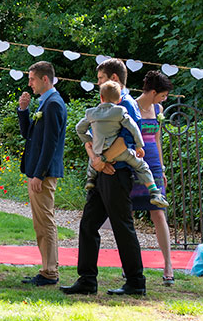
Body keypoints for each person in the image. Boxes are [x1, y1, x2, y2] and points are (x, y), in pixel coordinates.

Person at [63, 58, 147, 296]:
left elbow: (126, 140)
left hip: (117, 173)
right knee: (88, 224)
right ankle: (87, 279)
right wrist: (95, 159)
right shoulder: (105, 107)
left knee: (122, 225)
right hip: (103, 171)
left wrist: (103, 161)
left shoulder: (126, 105)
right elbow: (89, 134)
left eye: (100, 79)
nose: (97, 83)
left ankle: (136, 281)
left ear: (114, 79)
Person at [76, 80, 169, 207]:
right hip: (119, 151)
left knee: (93, 159)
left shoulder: (91, 113)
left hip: (99, 150)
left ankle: (90, 179)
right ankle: (154, 192)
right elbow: (134, 129)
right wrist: (139, 145)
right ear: (119, 99)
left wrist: (89, 140)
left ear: (101, 97)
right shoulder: (120, 111)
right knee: (141, 166)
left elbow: (79, 128)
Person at [17, 61, 67, 286]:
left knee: (45, 222)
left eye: (32, 79)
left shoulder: (54, 104)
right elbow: (29, 134)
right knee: (40, 222)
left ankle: (50, 271)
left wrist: (39, 174)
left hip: (43, 174)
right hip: (37, 171)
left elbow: (51, 144)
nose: (30, 83)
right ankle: (47, 268)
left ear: (45, 79)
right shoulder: (43, 103)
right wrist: (24, 111)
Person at [133, 70, 176, 285]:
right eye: (163, 95)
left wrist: (162, 167)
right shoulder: (130, 106)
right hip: (134, 164)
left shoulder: (158, 109)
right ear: (152, 92)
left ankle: (168, 265)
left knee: (159, 213)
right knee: (127, 213)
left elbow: (158, 139)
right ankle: (130, 264)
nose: (164, 99)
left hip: (154, 166)